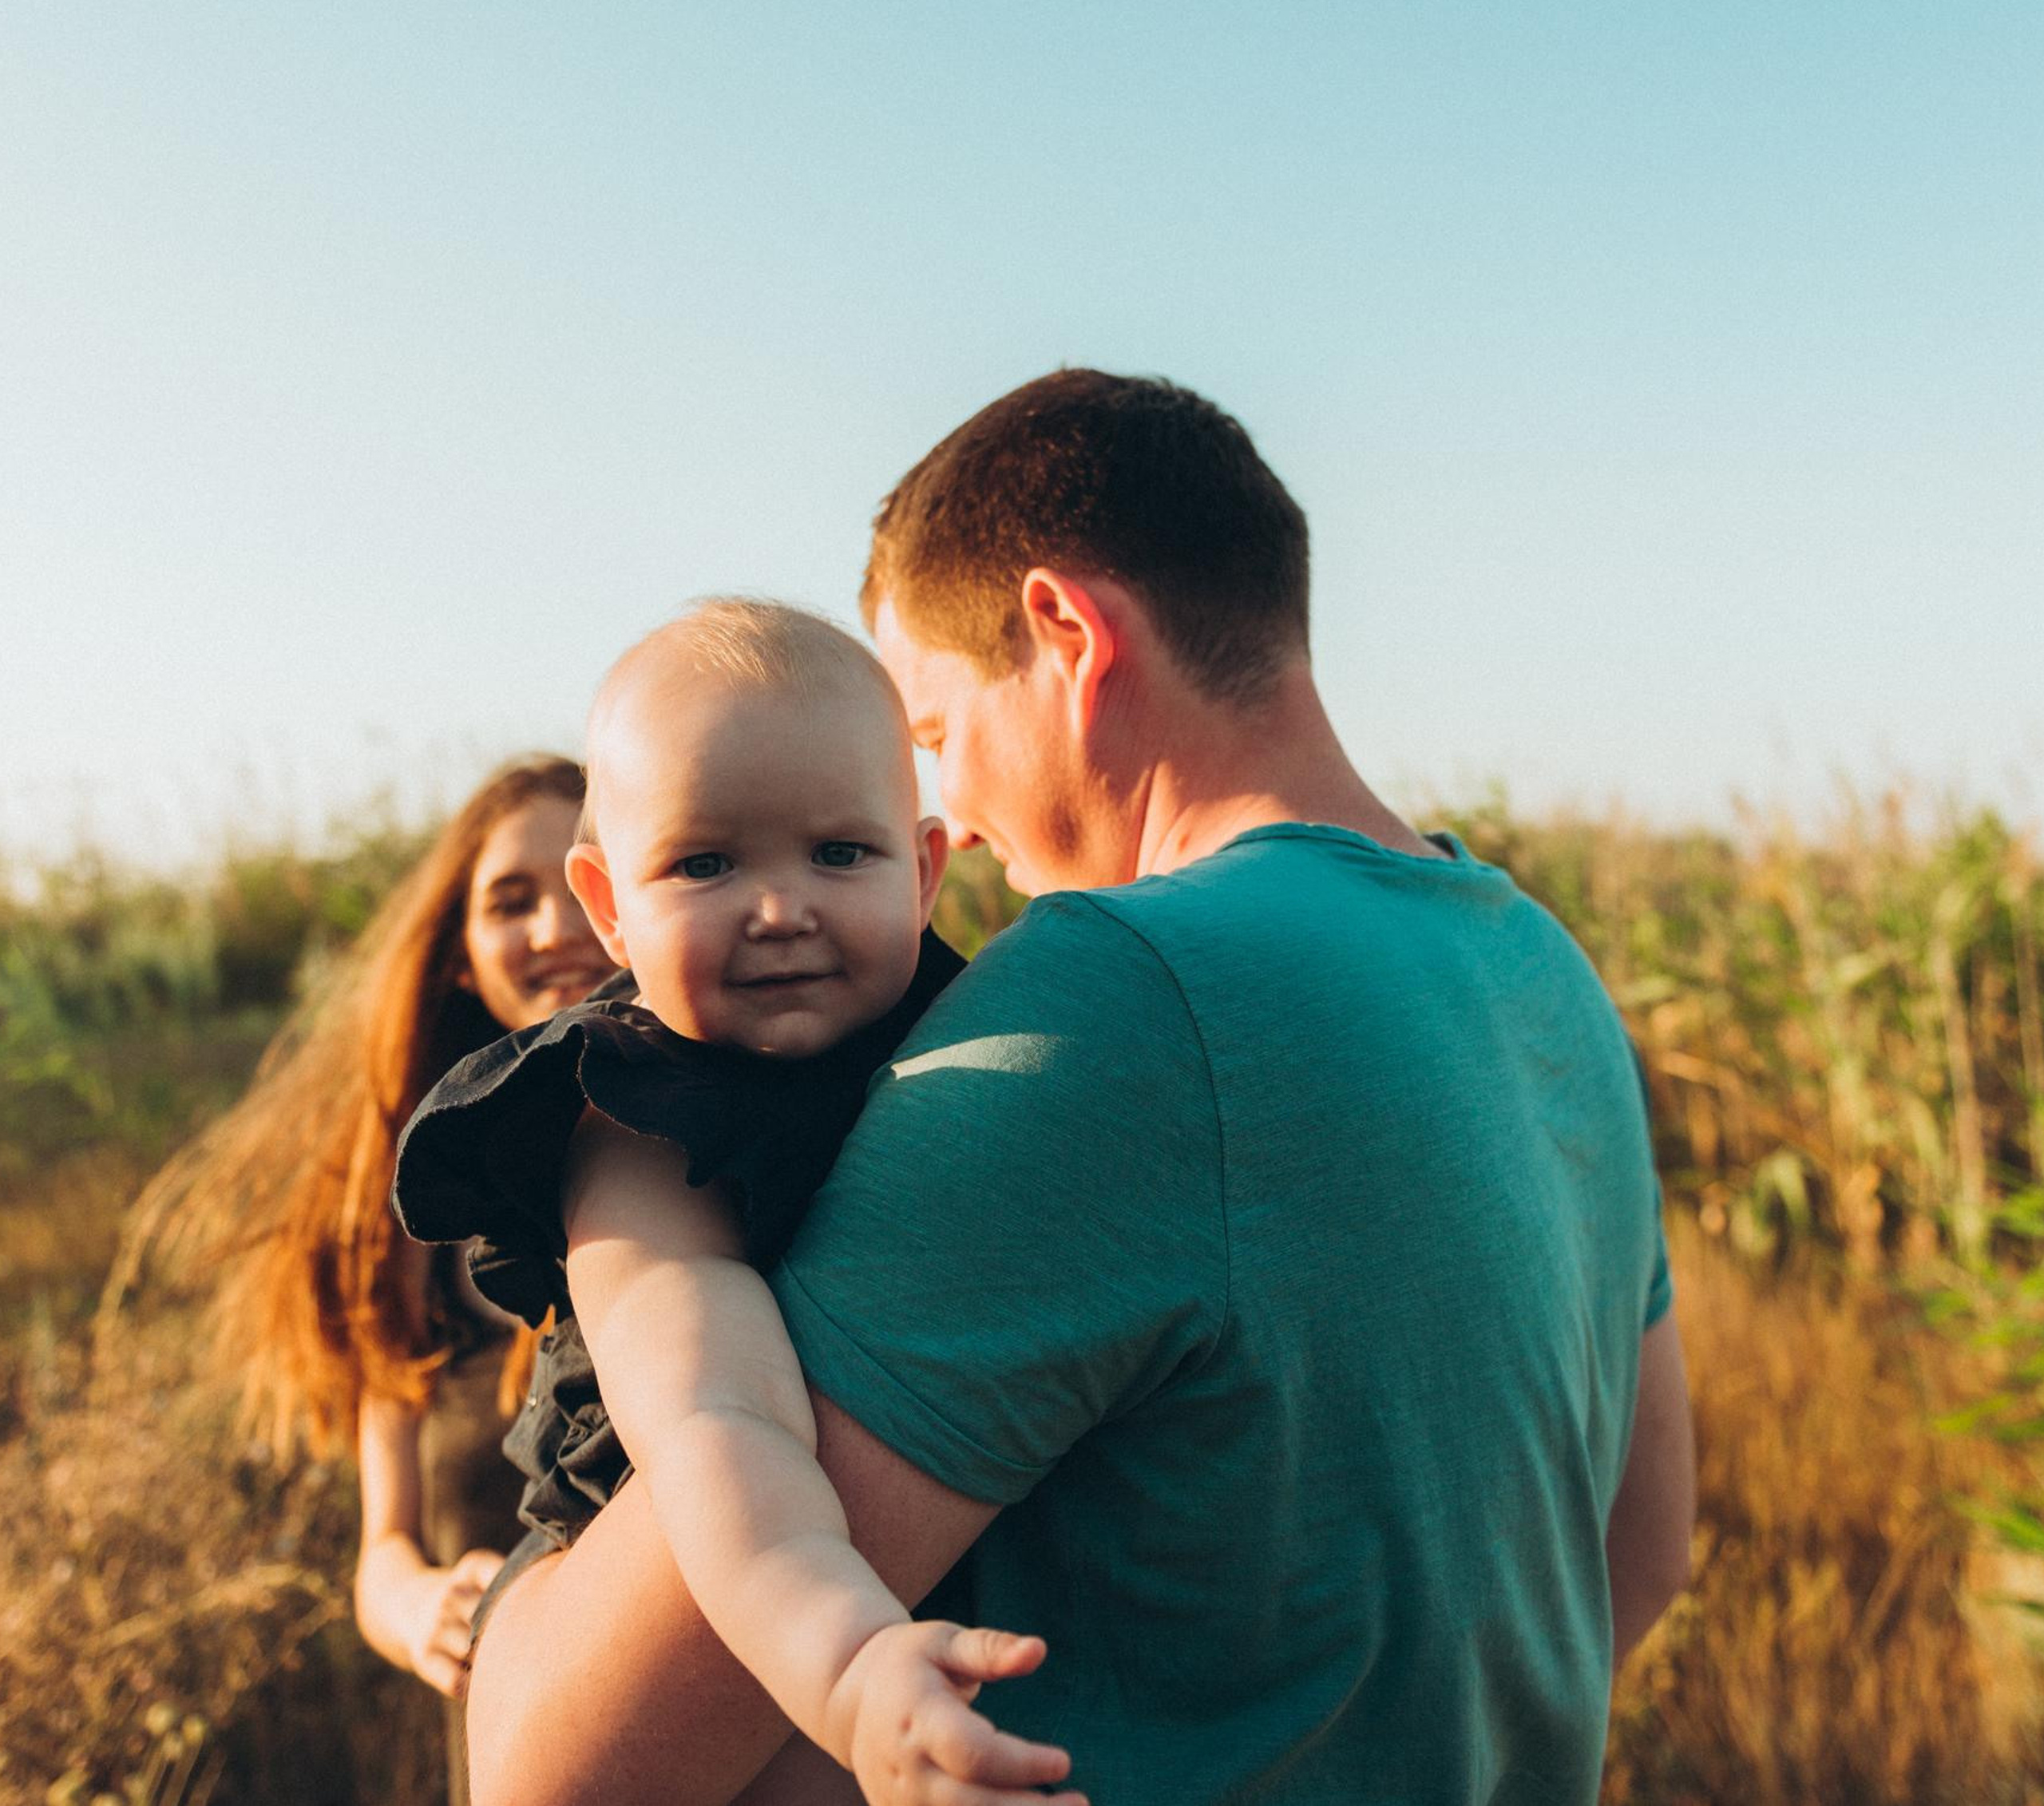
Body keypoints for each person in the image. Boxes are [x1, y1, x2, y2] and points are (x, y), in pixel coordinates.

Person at [462, 371, 1697, 1806]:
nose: (963, 830)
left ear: (1067, 634)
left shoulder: (1113, 994)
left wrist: (507, 1629)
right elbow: (1636, 1559)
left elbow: (564, 1771)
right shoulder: (1538, 963)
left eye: (935, 737)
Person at [391, 604, 1078, 1806]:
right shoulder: (635, 1121)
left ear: (924, 871)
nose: (779, 907)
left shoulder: (961, 1037)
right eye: (705, 864)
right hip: (712, 1585)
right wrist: (848, 1656)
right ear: (608, 907)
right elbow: (718, 1418)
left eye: (839, 854)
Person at [121, 755, 612, 1806]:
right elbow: (381, 1554)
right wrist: (423, 1605)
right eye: (508, 900)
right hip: (512, 1742)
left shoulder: (740, 1158)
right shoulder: (411, 1233)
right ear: (462, 959)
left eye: (581, 881)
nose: (551, 927)